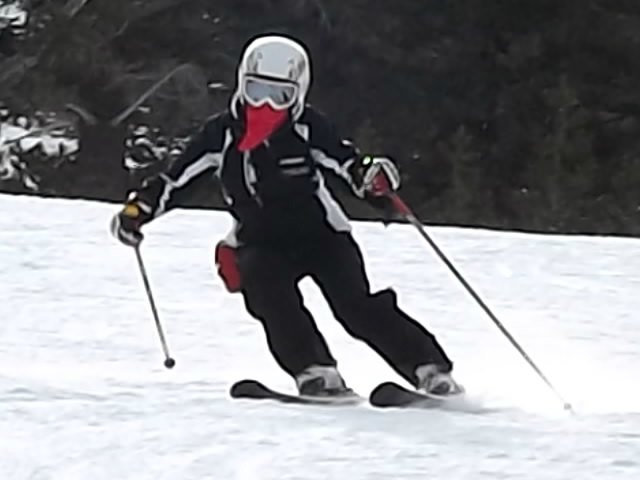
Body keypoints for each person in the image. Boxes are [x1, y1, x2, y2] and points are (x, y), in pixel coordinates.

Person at [110, 34, 462, 398]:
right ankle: (315, 371)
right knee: (269, 296)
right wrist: (139, 210)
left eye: (279, 95)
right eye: (255, 90)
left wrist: (371, 178)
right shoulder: (221, 134)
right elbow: (177, 179)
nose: (264, 103)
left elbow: (346, 163)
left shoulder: (307, 127)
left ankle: (429, 369)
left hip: (323, 236)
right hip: (261, 241)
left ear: (298, 93)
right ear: (241, 84)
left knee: (354, 307)